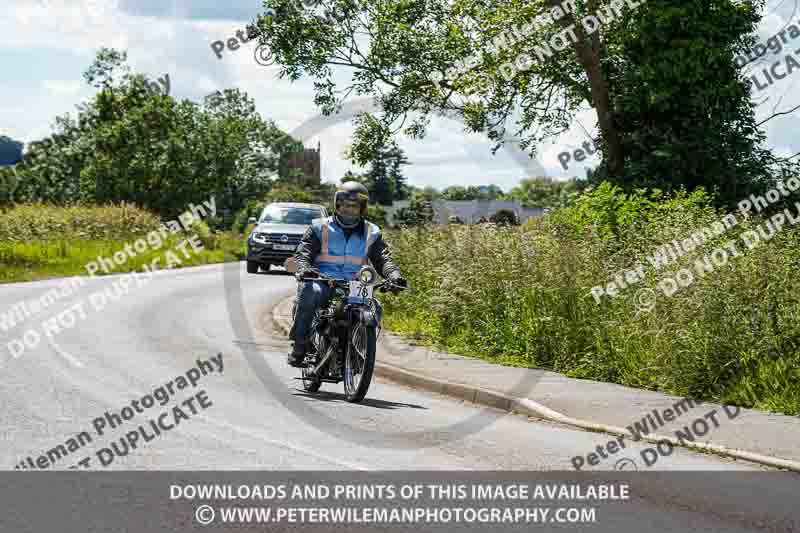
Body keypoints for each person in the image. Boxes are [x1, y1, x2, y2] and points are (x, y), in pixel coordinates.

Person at [287, 181, 408, 367]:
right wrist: (303, 268)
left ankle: (359, 349)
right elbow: (303, 253)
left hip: (357, 283)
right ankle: (300, 346)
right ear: (338, 205)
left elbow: (383, 258)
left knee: (374, 307)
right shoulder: (320, 228)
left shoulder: (372, 232)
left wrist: (394, 275)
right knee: (310, 292)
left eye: (355, 206)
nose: (350, 209)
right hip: (324, 280)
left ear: (362, 208)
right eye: (345, 205)